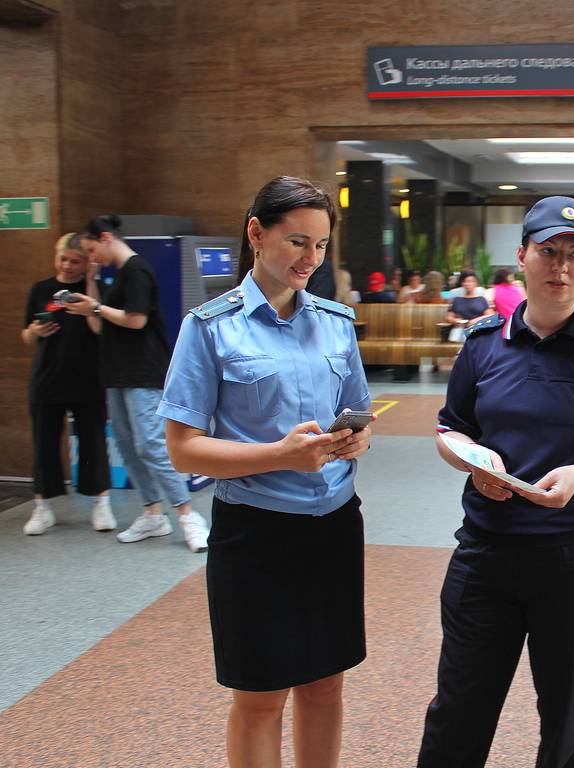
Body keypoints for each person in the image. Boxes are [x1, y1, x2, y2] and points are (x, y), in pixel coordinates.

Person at [418, 196, 574, 768]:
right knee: (459, 710)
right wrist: (474, 462)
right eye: (548, 252)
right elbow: (450, 430)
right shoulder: (482, 343)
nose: (561, 266)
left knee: (568, 717)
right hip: (487, 552)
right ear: (522, 257)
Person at [156, 176, 374, 767]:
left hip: (332, 526)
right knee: (261, 696)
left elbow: (359, 415)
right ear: (256, 233)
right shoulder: (209, 328)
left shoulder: (334, 322)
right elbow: (183, 450)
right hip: (255, 532)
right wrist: (281, 454)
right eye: (298, 241)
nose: (312, 259)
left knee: (325, 684)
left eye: (322, 246)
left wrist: (356, 439)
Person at [66, 215, 209, 553]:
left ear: (105, 238)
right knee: (129, 446)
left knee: (150, 444)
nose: (91, 257)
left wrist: (97, 306)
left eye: (91, 250)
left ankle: (188, 515)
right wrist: (91, 284)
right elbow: (100, 326)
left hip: (142, 372)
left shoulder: (136, 270)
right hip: (116, 374)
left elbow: (136, 319)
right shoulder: (113, 278)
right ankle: (152, 514)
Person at [21, 233, 113, 535]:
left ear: (87, 262)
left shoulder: (94, 292)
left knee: (93, 443)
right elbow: (26, 336)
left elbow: (98, 326)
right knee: (44, 444)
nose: (68, 266)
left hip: (88, 378)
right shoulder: (40, 289)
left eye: (76, 261)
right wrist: (36, 331)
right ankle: (43, 507)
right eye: (63, 259)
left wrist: (90, 282)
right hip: (48, 377)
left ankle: (101, 503)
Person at [445, 271, 494, 341]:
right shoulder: (457, 300)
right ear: (462, 283)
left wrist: (474, 321)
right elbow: (449, 317)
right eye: (465, 281)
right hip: (460, 327)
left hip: (477, 327)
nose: (468, 284)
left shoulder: (481, 299)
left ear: (476, 283)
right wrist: (455, 320)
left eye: (471, 281)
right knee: (454, 338)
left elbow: (490, 314)